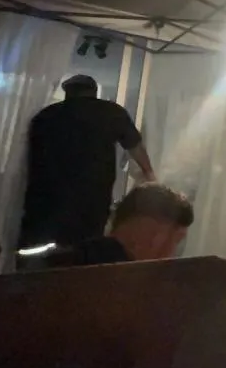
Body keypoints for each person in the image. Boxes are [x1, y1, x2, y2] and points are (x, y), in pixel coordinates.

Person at [19, 74, 156, 250]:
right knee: (85, 247)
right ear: (94, 92)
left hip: (46, 198)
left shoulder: (45, 116)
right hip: (92, 198)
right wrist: (149, 173)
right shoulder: (111, 112)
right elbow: (135, 146)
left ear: (67, 92)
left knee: (40, 249)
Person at [40, 183, 194, 268]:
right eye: (174, 240)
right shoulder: (120, 286)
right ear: (146, 231)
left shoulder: (59, 260)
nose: (171, 254)